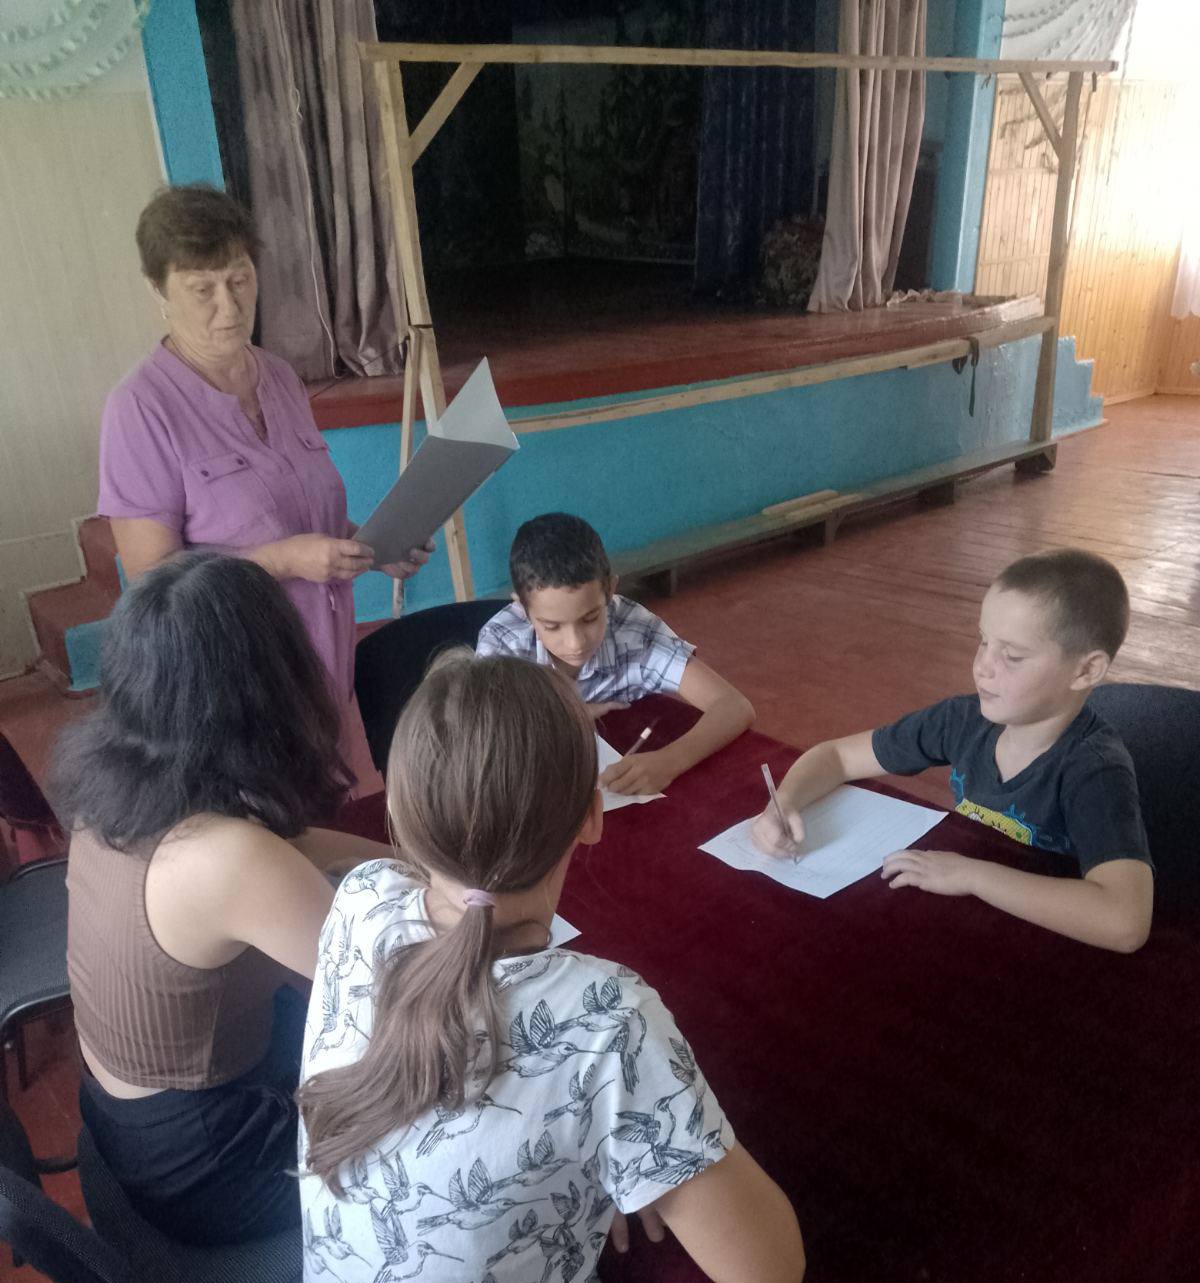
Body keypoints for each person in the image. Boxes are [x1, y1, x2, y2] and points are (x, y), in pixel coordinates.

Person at [297, 652, 804, 1283]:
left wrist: (596, 1152)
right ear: (595, 815)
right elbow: (772, 1273)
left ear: (399, 815)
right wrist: (626, 1147)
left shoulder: (361, 900)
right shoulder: (604, 1018)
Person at [53, 552, 387, 1246]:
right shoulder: (227, 859)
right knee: (449, 1116)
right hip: (210, 1165)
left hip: (132, 1121)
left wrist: (404, 861)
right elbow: (393, 986)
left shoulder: (120, 789)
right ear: (272, 681)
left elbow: (289, 846)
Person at [97, 182, 432, 724]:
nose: (229, 307)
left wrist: (372, 546)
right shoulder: (139, 408)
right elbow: (154, 586)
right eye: (202, 289)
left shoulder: (278, 376)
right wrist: (282, 561)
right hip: (236, 684)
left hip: (326, 664)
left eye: (239, 279)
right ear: (159, 291)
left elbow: (300, 517)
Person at [751, 549, 1154, 953]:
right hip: (967, 921)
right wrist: (784, 803)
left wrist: (970, 876)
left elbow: (1124, 922)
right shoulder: (962, 721)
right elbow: (836, 756)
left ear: (1086, 670)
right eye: (983, 641)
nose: (982, 666)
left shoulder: (1095, 769)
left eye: (1012, 655)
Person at [476, 512, 754, 795]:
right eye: (552, 626)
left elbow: (734, 706)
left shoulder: (635, 633)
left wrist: (670, 761)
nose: (575, 643)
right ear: (523, 608)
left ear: (610, 590)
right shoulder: (502, 645)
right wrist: (569, 718)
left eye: (590, 618)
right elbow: (484, 739)